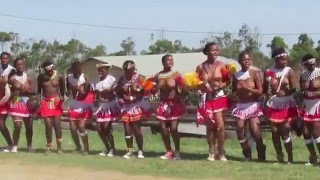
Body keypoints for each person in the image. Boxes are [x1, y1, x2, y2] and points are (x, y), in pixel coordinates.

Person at [263, 48, 299, 164]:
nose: (285, 62)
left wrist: (286, 90)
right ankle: (279, 156)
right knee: (274, 131)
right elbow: (264, 88)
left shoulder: (289, 71)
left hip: (287, 104)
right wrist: (268, 92)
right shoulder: (269, 71)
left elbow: (294, 89)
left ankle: (290, 157)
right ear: (277, 59)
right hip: (274, 104)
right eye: (283, 59)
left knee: (284, 130)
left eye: (286, 59)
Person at [196, 42, 229, 161]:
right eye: (213, 50)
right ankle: (211, 151)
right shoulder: (200, 67)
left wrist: (219, 86)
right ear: (207, 51)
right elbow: (196, 82)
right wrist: (203, 86)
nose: (215, 52)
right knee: (210, 127)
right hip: (207, 99)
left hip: (219, 98)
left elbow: (227, 81)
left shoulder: (222, 65)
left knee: (220, 126)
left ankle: (221, 151)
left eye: (217, 50)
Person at [232, 51, 266, 161]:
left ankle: (261, 152)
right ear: (239, 61)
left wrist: (247, 89)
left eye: (248, 59)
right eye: (244, 59)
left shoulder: (254, 73)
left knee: (255, 130)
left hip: (253, 105)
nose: (247, 61)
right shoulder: (236, 76)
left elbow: (260, 91)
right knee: (239, 130)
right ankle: (247, 153)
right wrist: (233, 96)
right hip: (241, 106)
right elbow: (234, 91)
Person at [116, 60, 152, 159]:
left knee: (137, 130)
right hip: (126, 107)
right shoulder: (122, 79)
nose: (127, 71)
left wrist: (132, 98)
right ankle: (130, 150)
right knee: (127, 129)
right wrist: (123, 96)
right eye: (125, 69)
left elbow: (143, 92)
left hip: (137, 106)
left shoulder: (139, 77)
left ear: (133, 69)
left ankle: (140, 150)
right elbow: (118, 92)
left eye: (129, 69)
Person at [152, 54, 185, 160]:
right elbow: (152, 91)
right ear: (163, 62)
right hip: (162, 104)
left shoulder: (177, 75)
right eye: (168, 60)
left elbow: (184, 91)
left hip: (175, 105)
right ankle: (169, 151)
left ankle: (178, 151)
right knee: (163, 129)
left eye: (172, 60)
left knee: (174, 129)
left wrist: (175, 86)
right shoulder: (158, 75)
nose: (171, 62)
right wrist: (158, 86)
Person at [8, 58, 36, 152]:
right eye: (18, 65)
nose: (20, 66)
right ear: (15, 66)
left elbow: (33, 91)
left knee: (29, 126)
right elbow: (8, 91)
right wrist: (14, 90)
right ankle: (15, 146)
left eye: (22, 65)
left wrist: (23, 87)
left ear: (24, 65)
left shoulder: (29, 77)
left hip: (27, 102)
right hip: (15, 102)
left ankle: (29, 146)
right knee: (18, 125)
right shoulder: (11, 78)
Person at [37, 60, 65, 155]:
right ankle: (49, 147)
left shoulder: (60, 76)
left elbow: (63, 89)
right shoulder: (41, 77)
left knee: (57, 126)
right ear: (45, 70)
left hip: (56, 103)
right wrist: (38, 101)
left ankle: (59, 148)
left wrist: (62, 98)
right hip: (45, 102)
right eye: (48, 70)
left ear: (53, 67)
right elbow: (38, 91)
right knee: (48, 126)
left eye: (51, 69)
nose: (50, 72)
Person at [66, 61, 94, 155]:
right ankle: (78, 147)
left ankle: (86, 148)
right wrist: (69, 91)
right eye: (77, 69)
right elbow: (67, 91)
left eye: (80, 68)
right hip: (75, 103)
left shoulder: (84, 77)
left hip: (84, 104)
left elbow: (88, 91)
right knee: (72, 128)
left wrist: (81, 89)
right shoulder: (69, 78)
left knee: (81, 127)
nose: (79, 70)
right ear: (73, 69)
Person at [94, 63, 120, 157]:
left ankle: (113, 148)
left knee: (106, 127)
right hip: (102, 106)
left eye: (102, 69)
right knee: (98, 128)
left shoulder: (111, 79)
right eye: (99, 69)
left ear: (106, 69)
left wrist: (106, 93)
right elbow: (97, 95)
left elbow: (112, 91)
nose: (100, 71)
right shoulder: (97, 81)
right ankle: (107, 147)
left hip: (111, 106)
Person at [300, 54, 320, 165]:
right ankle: (313, 157)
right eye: (309, 64)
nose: (312, 65)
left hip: (318, 105)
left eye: (313, 63)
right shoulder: (303, 75)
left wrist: (314, 93)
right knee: (306, 133)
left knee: (317, 133)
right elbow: (302, 92)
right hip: (306, 106)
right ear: (305, 65)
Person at [0, 52, 15, 152]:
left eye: (6, 58)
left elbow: (10, 82)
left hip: (6, 97)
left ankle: (11, 144)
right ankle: (10, 144)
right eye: (2, 58)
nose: (4, 60)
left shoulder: (11, 69)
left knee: (1, 123)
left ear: (8, 59)